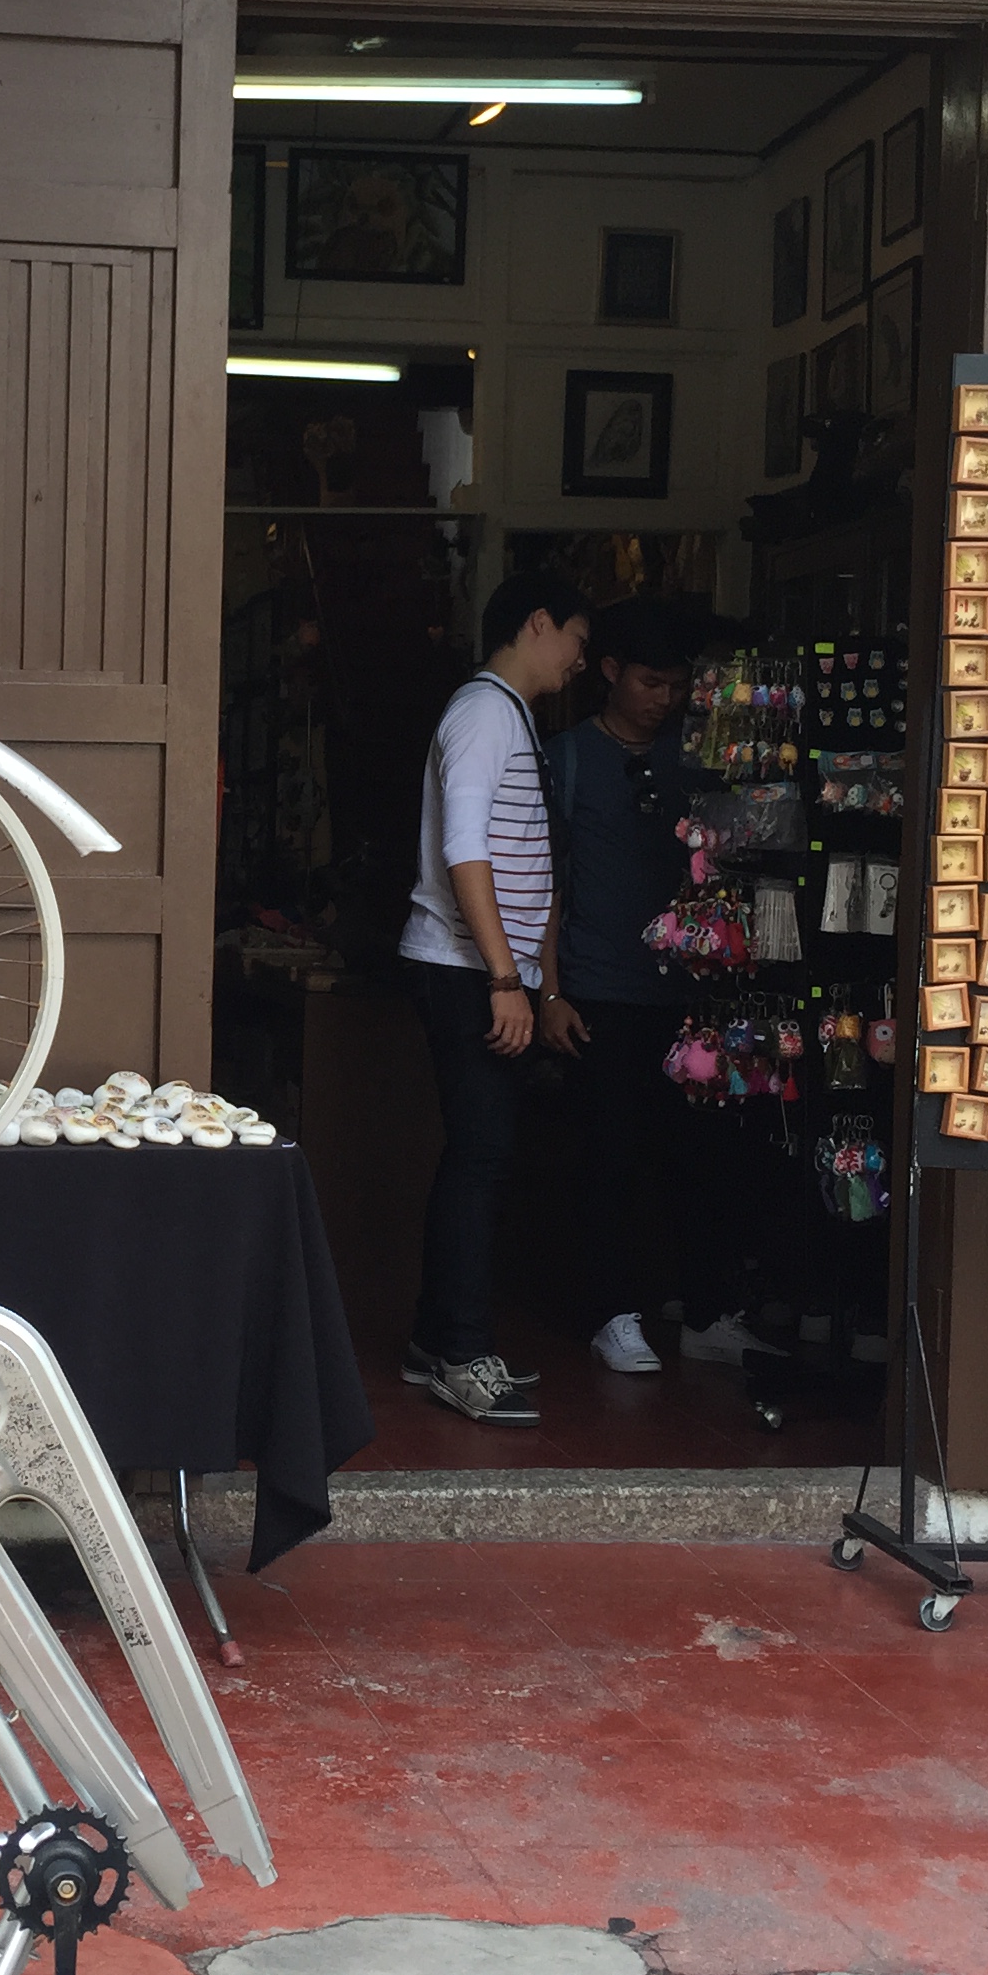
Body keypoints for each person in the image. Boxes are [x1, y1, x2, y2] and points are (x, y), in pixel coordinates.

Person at [538, 601, 766, 1372]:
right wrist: (550, 992)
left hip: (690, 996)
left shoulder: (694, 760)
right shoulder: (566, 759)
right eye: (649, 683)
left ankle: (704, 1312)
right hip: (599, 990)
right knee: (610, 1158)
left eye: (675, 685)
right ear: (609, 672)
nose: (663, 699)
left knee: (701, 1159)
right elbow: (546, 885)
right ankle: (613, 1312)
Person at [399, 572, 591, 1425]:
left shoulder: (511, 715)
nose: (580, 661)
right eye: (578, 640)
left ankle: (434, 1340)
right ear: (538, 623)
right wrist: (506, 979)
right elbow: (466, 853)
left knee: (481, 1156)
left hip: (490, 969)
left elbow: (534, 868)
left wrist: (542, 983)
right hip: (464, 968)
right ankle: (461, 1354)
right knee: (480, 1158)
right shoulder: (483, 713)